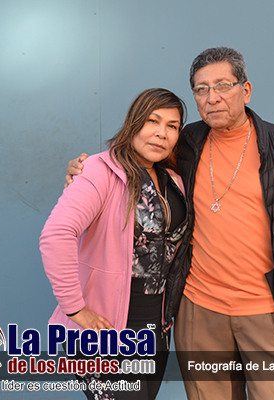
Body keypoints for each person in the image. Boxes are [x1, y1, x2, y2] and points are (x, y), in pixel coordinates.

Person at [66, 47, 274, 399]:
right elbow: (130, 159)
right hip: (199, 309)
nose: (212, 97)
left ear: (245, 90)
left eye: (223, 85)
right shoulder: (185, 143)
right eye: (201, 89)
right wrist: (84, 170)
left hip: (270, 310)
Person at [41, 88, 188, 400]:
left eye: (172, 126)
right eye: (153, 121)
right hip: (106, 329)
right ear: (134, 122)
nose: (161, 133)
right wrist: (76, 309)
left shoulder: (174, 180)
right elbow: (57, 234)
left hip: (156, 327)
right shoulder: (100, 170)